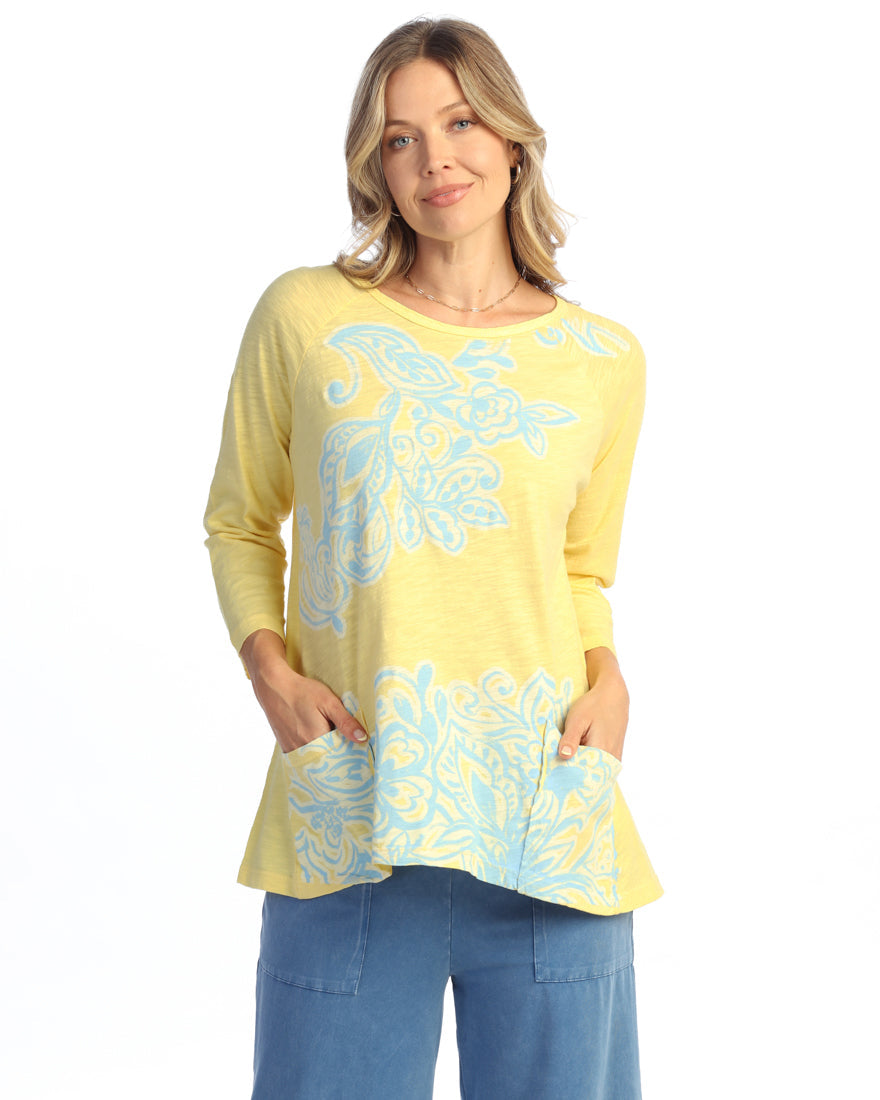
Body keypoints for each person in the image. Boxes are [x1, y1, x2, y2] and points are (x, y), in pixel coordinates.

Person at [204, 17, 662, 1099]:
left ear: (512, 140)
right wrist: (269, 672)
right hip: (353, 813)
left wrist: (609, 678)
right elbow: (239, 519)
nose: (435, 160)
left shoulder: (602, 358)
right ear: (375, 166)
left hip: (547, 812)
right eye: (400, 138)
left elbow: (580, 569)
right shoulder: (308, 317)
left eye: (459, 123)